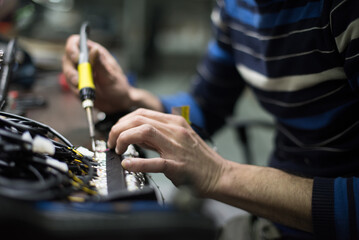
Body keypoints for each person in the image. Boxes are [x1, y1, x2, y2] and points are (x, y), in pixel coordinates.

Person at [62, 0, 359, 239]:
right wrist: (131, 98)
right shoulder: (236, 6)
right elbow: (204, 107)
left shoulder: (345, 11)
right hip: (275, 216)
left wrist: (220, 175)